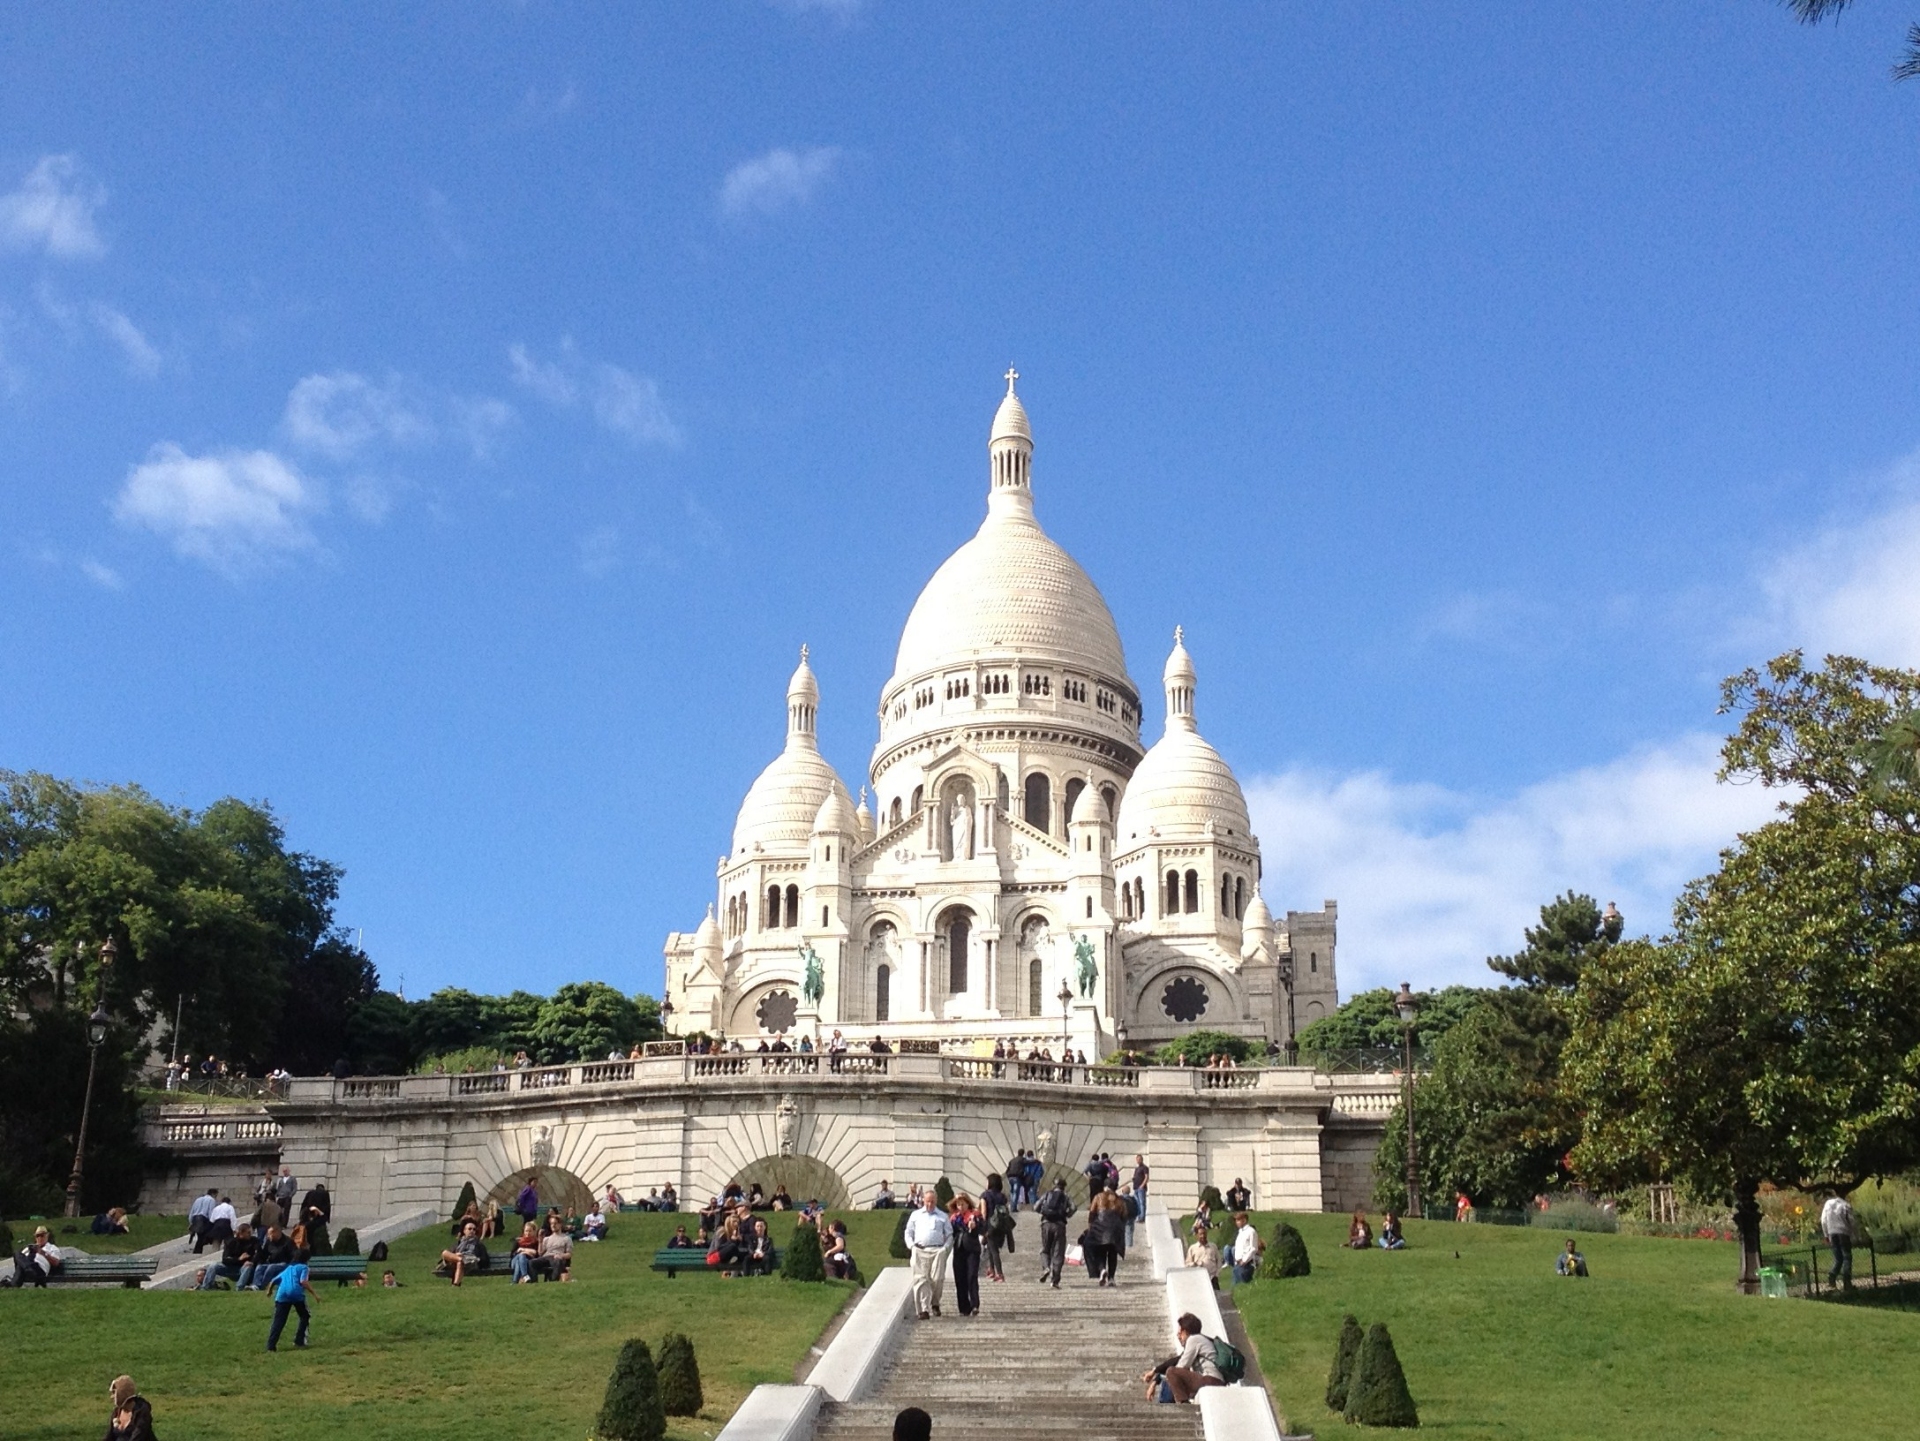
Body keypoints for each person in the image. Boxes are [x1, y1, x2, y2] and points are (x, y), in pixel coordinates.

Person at [1142, 1311, 1225, 1404]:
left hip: (1210, 1380)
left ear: (1185, 1331)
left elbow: (1180, 1366)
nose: (1178, 1336)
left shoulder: (1194, 1340)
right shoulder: (1200, 1340)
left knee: (1172, 1372)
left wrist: (1161, 1378)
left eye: (1180, 1332)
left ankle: (1183, 1404)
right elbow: (1177, 1360)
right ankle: (1178, 1402)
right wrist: (1156, 1378)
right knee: (1171, 1376)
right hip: (1212, 1380)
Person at [904, 1188, 954, 1319]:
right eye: (927, 1201)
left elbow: (949, 1235)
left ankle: (935, 1303)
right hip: (920, 1250)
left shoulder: (942, 1216)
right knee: (921, 1280)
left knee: (937, 1279)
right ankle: (923, 1310)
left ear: (936, 1201)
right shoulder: (915, 1215)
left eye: (932, 1202)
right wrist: (911, 1246)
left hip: (937, 1250)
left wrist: (945, 1248)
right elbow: (908, 1232)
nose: (929, 1204)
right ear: (923, 1201)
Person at [265, 1251, 314, 1351]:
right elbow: (303, 1281)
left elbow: (273, 1280)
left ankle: (271, 1345)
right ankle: (299, 1340)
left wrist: (269, 1291)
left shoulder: (288, 1268)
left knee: (279, 1320)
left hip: (282, 1295)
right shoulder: (304, 1267)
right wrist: (315, 1294)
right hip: (296, 1294)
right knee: (305, 1316)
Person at [1035, 1177, 1076, 1288]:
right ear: (1064, 1186)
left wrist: (1043, 1213)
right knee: (1058, 1253)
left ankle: (1046, 1268)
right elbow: (1073, 1207)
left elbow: (1036, 1207)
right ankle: (1055, 1281)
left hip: (1046, 1224)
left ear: (1054, 1185)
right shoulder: (1066, 1196)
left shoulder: (1048, 1194)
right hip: (1060, 1225)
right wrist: (1067, 1215)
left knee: (1045, 1249)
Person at [949, 1191, 984, 1316]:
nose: (961, 1207)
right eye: (958, 1205)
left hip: (972, 1250)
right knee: (960, 1278)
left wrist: (975, 1226)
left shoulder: (975, 1215)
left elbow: (983, 1229)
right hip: (959, 1250)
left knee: (971, 1276)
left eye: (963, 1204)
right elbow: (950, 1233)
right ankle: (963, 1307)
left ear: (968, 1204)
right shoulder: (954, 1218)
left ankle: (975, 1304)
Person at [1087, 1183, 1129, 1287]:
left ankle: (1102, 1269)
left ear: (1105, 1187)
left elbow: (1092, 1213)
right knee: (1112, 1254)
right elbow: (1125, 1215)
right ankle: (1111, 1278)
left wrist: (1090, 1228)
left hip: (1100, 1228)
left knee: (1100, 1251)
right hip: (1115, 1229)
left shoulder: (1098, 1196)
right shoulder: (1120, 1200)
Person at [198, 1222, 258, 1289]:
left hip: (243, 1267)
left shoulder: (254, 1241)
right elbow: (225, 1259)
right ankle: (206, 1287)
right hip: (230, 1267)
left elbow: (258, 1253)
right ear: (241, 1233)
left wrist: (251, 1261)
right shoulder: (231, 1242)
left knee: (248, 1267)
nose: (250, 1234)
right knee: (213, 1266)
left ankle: (239, 1288)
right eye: (248, 1233)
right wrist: (238, 1259)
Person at [1820, 1191, 1856, 1288]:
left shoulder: (1828, 1205)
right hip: (1843, 1233)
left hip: (1832, 1232)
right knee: (1847, 1257)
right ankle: (1847, 1282)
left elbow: (1823, 1221)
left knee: (1838, 1258)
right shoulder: (1845, 1205)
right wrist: (1852, 1234)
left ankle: (1832, 1278)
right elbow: (1852, 1221)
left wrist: (1826, 1234)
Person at [980, 1172, 1012, 1282]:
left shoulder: (985, 1195)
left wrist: (983, 1227)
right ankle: (992, 1270)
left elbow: (983, 1212)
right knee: (991, 1248)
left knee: (993, 1250)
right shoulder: (1002, 1196)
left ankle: (1000, 1273)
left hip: (990, 1224)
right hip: (1000, 1225)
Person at [105, 1375, 155, 1441]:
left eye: (114, 1393)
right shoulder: (117, 1412)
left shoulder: (142, 1413)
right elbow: (109, 1437)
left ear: (122, 1393)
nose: (112, 1397)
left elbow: (138, 1437)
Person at [440, 1219, 488, 1285]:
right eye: (470, 1229)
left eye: (474, 1229)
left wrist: (477, 1259)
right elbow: (449, 1254)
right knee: (444, 1253)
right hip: (456, 1260)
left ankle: (456, 1284)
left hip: (470, 1261)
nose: (472, 1231)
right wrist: (457, 1255)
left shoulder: (478, 1244)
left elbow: (485, 1259)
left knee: (460, 1263)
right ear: (464, 1231)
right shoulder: (459, 1242)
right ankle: (460, 1259)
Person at [1185, 1224, 1223, 1289]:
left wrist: (1216, 1275)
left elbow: (1219, 1261)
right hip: (1198, 1278)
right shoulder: (1192, 1248)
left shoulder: (1213, 1246)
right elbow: (1187, 1264)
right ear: (1196, 1235)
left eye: (1204, 1233)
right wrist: (1194, 1264)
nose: (1203, 1236)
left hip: (1212, 1278)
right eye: (1200, 1234)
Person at [539, 1214, 575, 1281]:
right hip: (546, 1258)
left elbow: (569, 1254)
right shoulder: (547, 1239)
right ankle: (532, 1282)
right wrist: (540, 1241)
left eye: (555, 1223)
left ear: (560, 1224)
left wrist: (560, 1255)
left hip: (556, 1258)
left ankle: (554, 1281)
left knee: (557, 1261)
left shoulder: (566, 1238)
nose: (553, 1225)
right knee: (531, 1263)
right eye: (551, 1223)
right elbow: (540, 1253)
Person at [1230, 1212, 1262, 1285]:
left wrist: (1244, 1261)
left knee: (1243, 1284)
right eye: (1236, 1220)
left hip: (1246, 1265)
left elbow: (1253, 1248)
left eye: (1238, 1220)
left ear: (1244, 1220)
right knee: (1236, 1288)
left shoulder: (1251, 1231)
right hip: (1237, 1264)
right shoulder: (1240, 1232)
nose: (1236, 1222)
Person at [187, 1188, 219, 1252]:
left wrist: (191, 1222)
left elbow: (192, 1211)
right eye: (216, 1195)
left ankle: (199, 1248)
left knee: (200, 1236)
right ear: (213, 1194)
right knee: (204, 1236)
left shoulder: (198, 1199)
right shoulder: (211, 1200)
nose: (216, 1197)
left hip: (195, 1218)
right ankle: (198, 1250)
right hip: (204, 1219)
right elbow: (211, 1212)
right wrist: (212, 1222)